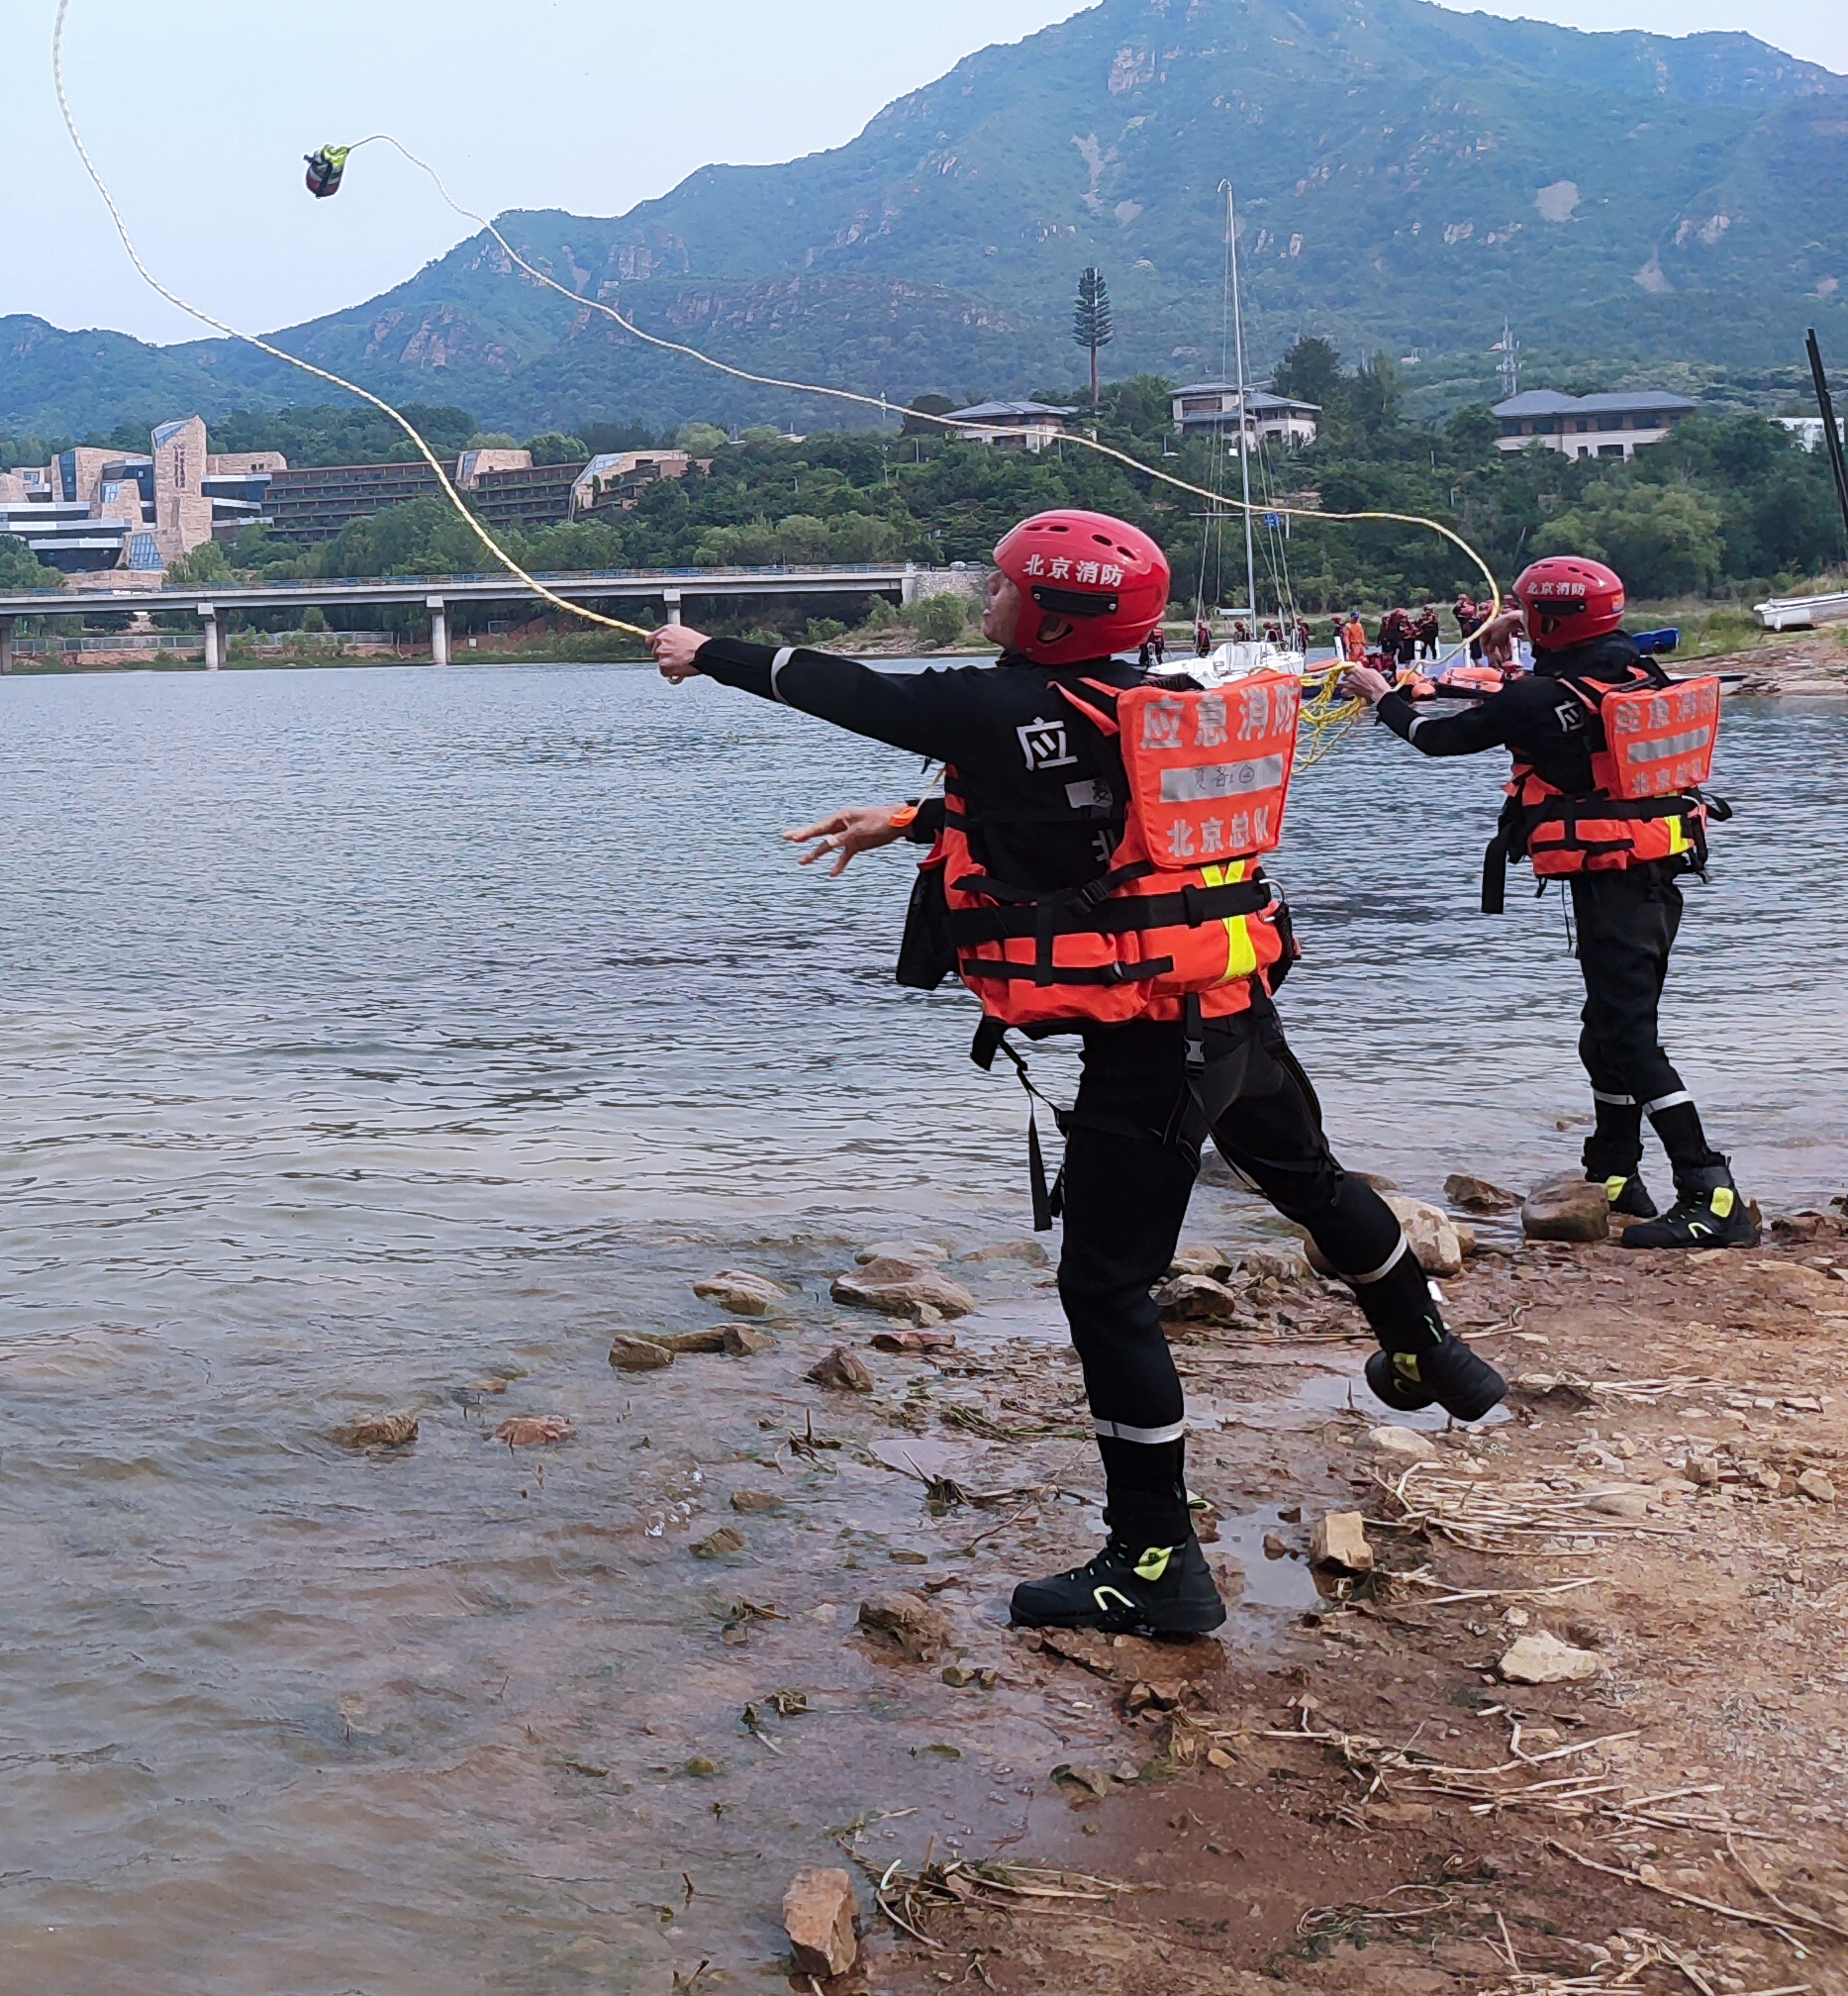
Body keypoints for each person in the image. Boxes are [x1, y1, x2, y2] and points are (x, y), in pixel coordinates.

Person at [649, 510, 1504, 1642]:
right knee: (1313, 1184)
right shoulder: (1162, 700)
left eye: (1000, 588)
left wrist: (704, 653)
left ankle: (1156, 1561)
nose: (988, 601)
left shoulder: (1001, 705)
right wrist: (908, 818)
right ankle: (1427, 1348)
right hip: (1232, 1006)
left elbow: (857, 695)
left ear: (1048, 614)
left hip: (1153, 1039)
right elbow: (1084, 816)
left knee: (1104, 1290)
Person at [1336, 555, 1755, 1247]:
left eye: (1530, 615)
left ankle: (1712, 1196)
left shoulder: (1538, 697)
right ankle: (1615, 1171)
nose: (1520, 625)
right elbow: (1564, 680)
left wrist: (1381, 693)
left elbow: (1435, 739)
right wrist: (1523, 632)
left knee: (1629, 1038)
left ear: (1551, 623)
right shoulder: (1630, 666)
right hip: (1649, 875)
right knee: (1605, 1031)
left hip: (1619, 887)